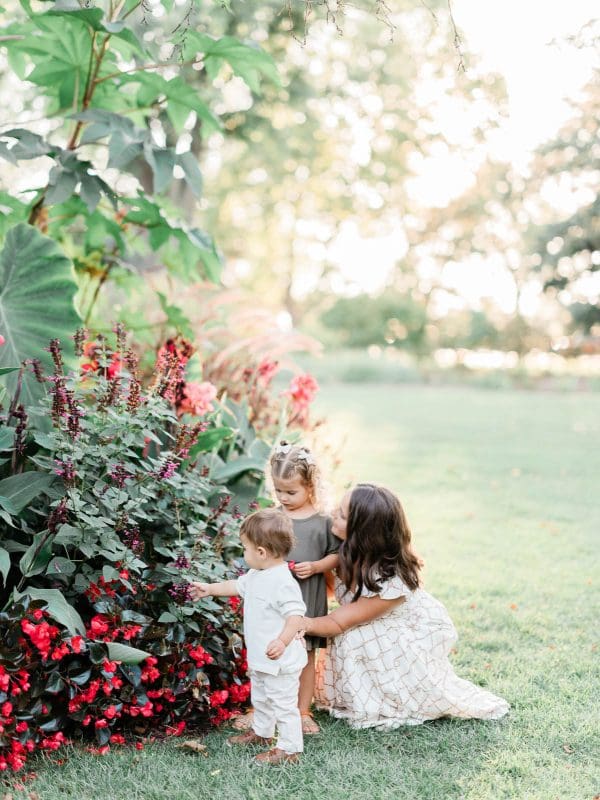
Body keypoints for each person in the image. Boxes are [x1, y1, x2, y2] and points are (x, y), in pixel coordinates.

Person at [304, 483, 510, 729]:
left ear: (362, 532)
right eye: (338, 509)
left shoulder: (391, 580)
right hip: (363, 618)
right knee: (351, 636)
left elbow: (339, 621)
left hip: (406, 628)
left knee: (356, 639)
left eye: (342, 515)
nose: (333, 516)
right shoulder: (342, 549)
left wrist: (300, 624)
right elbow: (328, 590)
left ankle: (387, 698)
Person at [233, 441, 339, 735]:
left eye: (291, 492)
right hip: (272, 603)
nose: (284, 497)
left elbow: (336, 554)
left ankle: (302, 711)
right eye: (279, 491)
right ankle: (260, 711)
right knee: (267, 652)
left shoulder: (323, 522)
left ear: (311, 486)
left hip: (307, 596)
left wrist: (317, 567)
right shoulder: (273, 519)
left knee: (304, 655)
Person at [189, 508, 307, 764]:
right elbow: (234, 586)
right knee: (262, 698)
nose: (244, 554)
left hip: (281, 661)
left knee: (283, 705)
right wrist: (209, 589)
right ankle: (263, 733)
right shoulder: (257, 575)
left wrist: (282, 640)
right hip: (263, 659)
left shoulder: (282, 581)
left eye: (245, 548)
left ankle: (289, 749)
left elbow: (295, 615)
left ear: (261, 552)